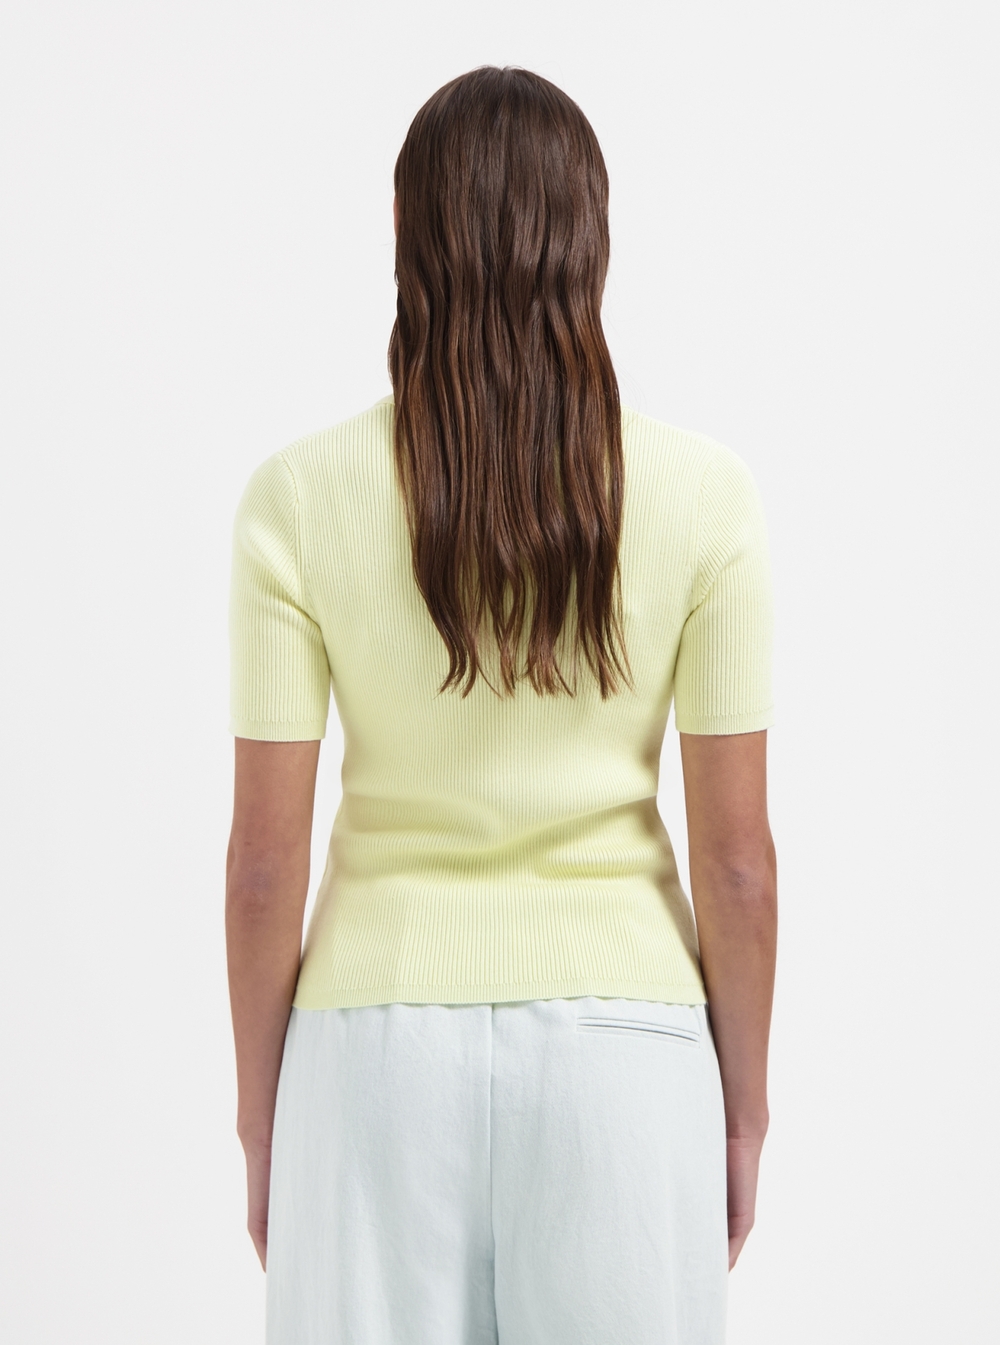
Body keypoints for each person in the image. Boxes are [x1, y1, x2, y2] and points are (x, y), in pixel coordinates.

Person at [226, 65, 777, 1345]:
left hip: (369, 1053)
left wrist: (264, 1117)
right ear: (591, 239)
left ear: (405, 235)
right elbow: (737, 864)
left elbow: (262, 867)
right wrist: (741, 1106)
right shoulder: (706, 497)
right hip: (627, 1059)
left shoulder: (295, 497)